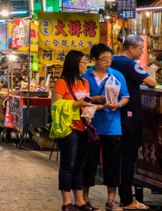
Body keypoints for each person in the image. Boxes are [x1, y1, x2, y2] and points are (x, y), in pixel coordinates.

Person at [52, 50, 104, 211]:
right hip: (69, 129)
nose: (86, 65)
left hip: (84, 127)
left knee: (80, 166)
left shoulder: (84, 83)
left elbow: (85, 104)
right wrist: (75, 104)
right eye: (83, 62)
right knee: (68, 166)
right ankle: (66, 203)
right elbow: (55, 106)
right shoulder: (62, 82)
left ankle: (80, 202)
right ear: (75, 63)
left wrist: (98, 104)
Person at [110, 35, 157, 210]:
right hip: (129, 117)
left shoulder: (112, 61)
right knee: (128, 158)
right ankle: (127, 199)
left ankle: (112, 198)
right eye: (140, 49)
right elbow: (152, 83)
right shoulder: (129, 64)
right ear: (131, 49)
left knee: (115, 158)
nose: (142, 51)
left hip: (114, 117)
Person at [81, 43, 129, 211]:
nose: (108, 62)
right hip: (90, 126)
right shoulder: (85, 76)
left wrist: (119, 104)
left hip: (112, 126)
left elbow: (125, 97)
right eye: (104, 59)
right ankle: (84, 198)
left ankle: (111, 199)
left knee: (112, 163)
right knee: (88, 163)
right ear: (94, 59)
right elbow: (81, 99)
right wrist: (96, 99)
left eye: (110, 58)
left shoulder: (117, 75)